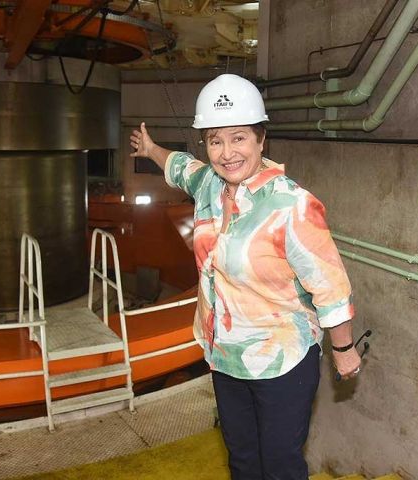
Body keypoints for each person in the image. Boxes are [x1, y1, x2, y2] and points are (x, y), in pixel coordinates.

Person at [129, 73, 360, 480]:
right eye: (215, 140)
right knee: (242, 461)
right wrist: (150, 149)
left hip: (281, 361)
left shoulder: (291, 204)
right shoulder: (207, 185)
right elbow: (178, 166)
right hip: (224, 356)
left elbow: (331, 287)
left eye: (239, 138)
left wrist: (343, 351)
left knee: (280, 466)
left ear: (260, 139)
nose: (226, 152)